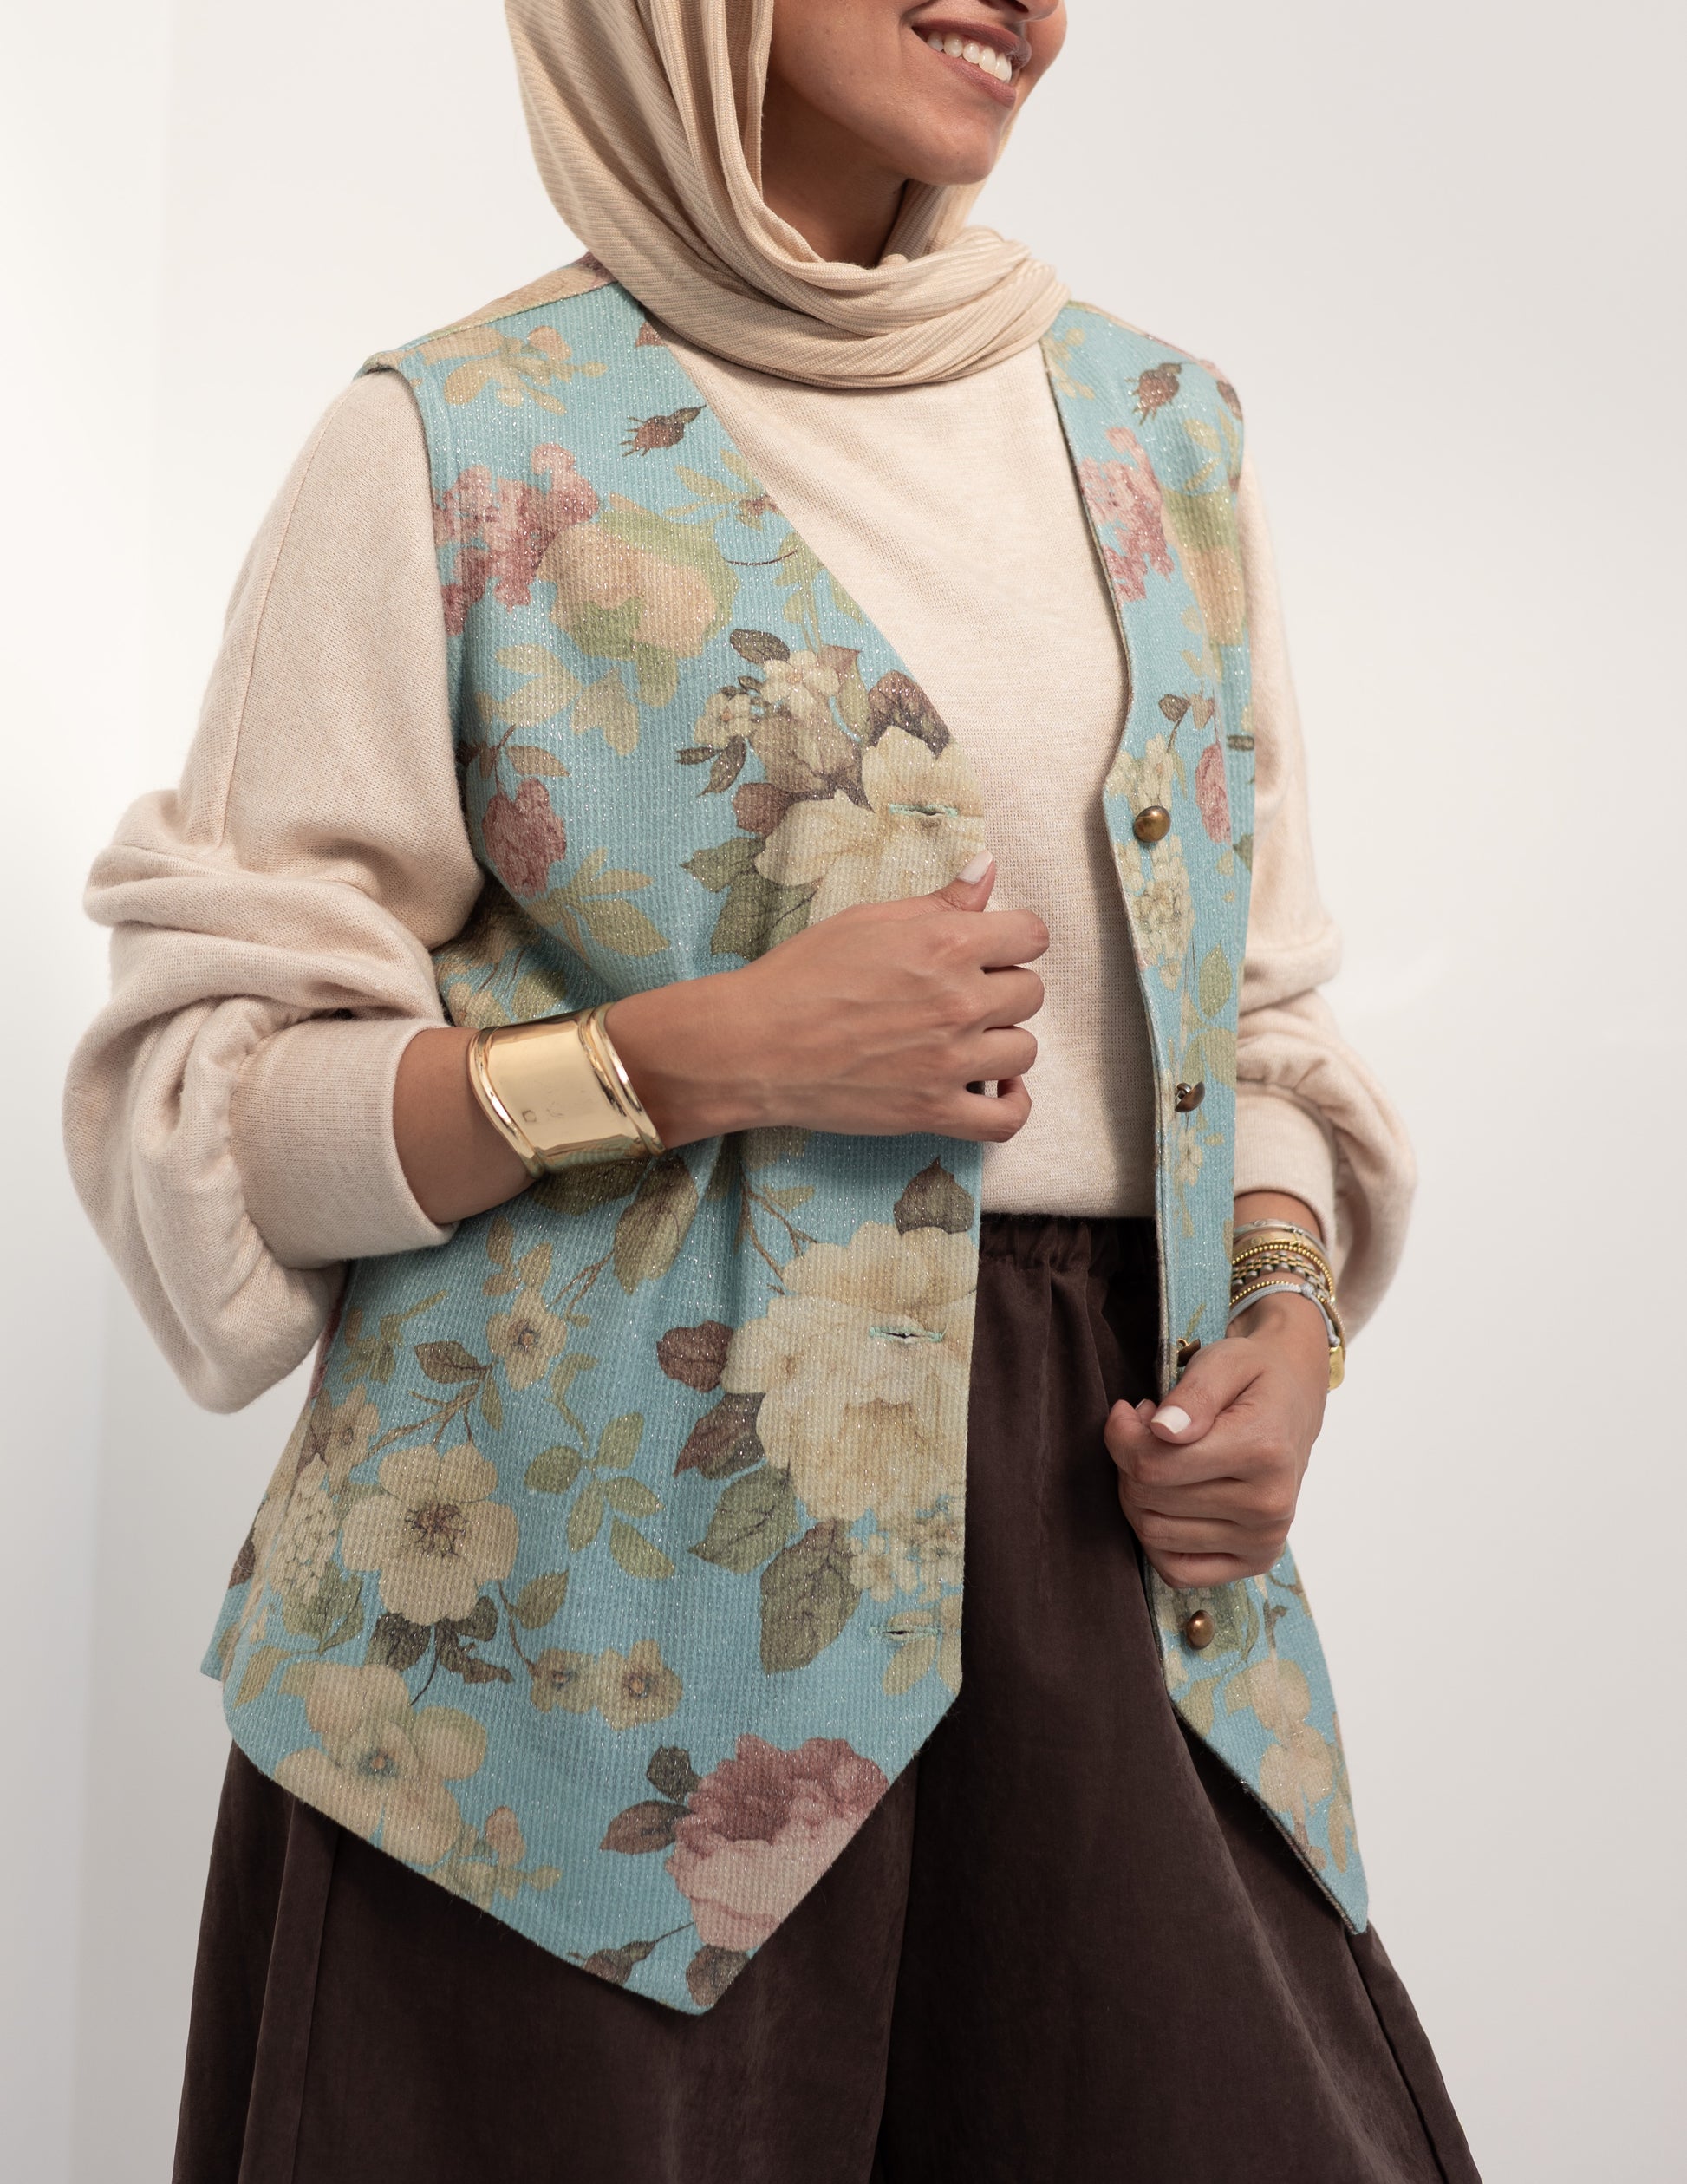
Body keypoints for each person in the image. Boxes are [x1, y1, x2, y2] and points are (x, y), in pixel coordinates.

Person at [65, 2, 1479, 2177]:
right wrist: (687, 1056)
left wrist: (1287, 1322)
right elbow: (210, 1117)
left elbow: (1259, 1024)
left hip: (1100, 1545)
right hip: (574, 1653)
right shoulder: (450, 439)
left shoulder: (1160, 434)